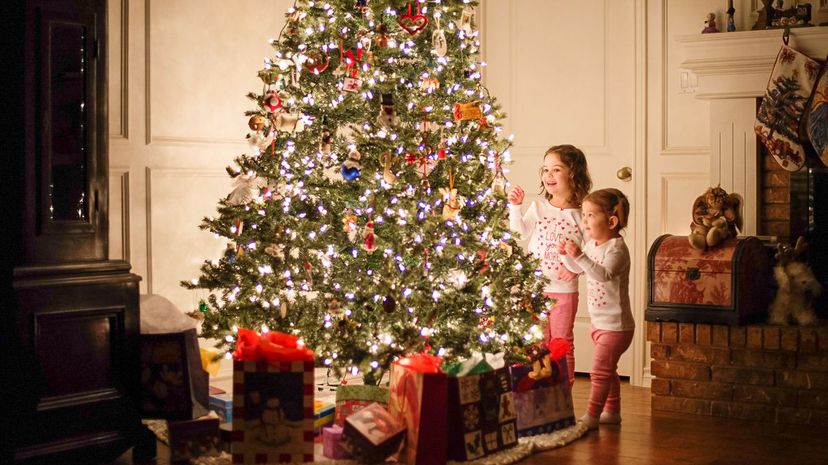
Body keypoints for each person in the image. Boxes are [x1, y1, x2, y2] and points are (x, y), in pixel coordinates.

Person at [508, 144, 592, 386]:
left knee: (562, 340)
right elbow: (519, 232)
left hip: (564, 292)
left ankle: (563, 390)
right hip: (535, 287)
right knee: (538, 341)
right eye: (545, 169)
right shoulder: (539, 207)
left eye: (556, 170)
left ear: (573, 175)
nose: (548, 175)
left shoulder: (582, 214)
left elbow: (592, 252)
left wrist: (576, 268)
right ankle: (540, 388)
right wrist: (515, 207)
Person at [557, 188, 634, 430]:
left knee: (599, 372)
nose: (585, 220)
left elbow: (603, 275)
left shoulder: (616, 250)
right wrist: (567, 257)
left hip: (617, 326)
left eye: (591, 215)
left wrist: (579, 256)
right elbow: (582, 268)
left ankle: (590, 417)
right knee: (609, 371)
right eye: (584, 214)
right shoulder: (592, 245)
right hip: (599, 323)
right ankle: (612, 412)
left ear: (611, 221)